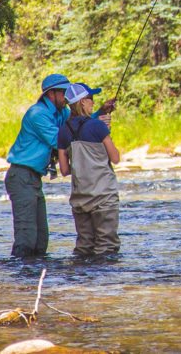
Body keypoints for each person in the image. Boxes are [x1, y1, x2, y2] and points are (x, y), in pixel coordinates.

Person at [5, 74, 115, 258]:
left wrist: (100, 114)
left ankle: (35, 277)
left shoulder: (61, 112)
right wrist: (98, 129)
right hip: (21, 176)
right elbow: (61, 140)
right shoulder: (37, 114)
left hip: (33, 179)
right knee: (26, 240)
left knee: (40, 242)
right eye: (63, 92)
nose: (66, 97)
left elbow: (78, 124)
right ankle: (20, 282)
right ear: (51, 94)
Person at [57, 83, 121, 257]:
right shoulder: (97, 127)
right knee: (106, 247)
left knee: (84, 247)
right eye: (91, 99)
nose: (93, 103)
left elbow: (64, 170)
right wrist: (106, 133)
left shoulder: (63, 131)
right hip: (104, 196)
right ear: (83, 102)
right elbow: (115, 158)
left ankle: (81, 280)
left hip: (80, 199)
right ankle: (102, 282)